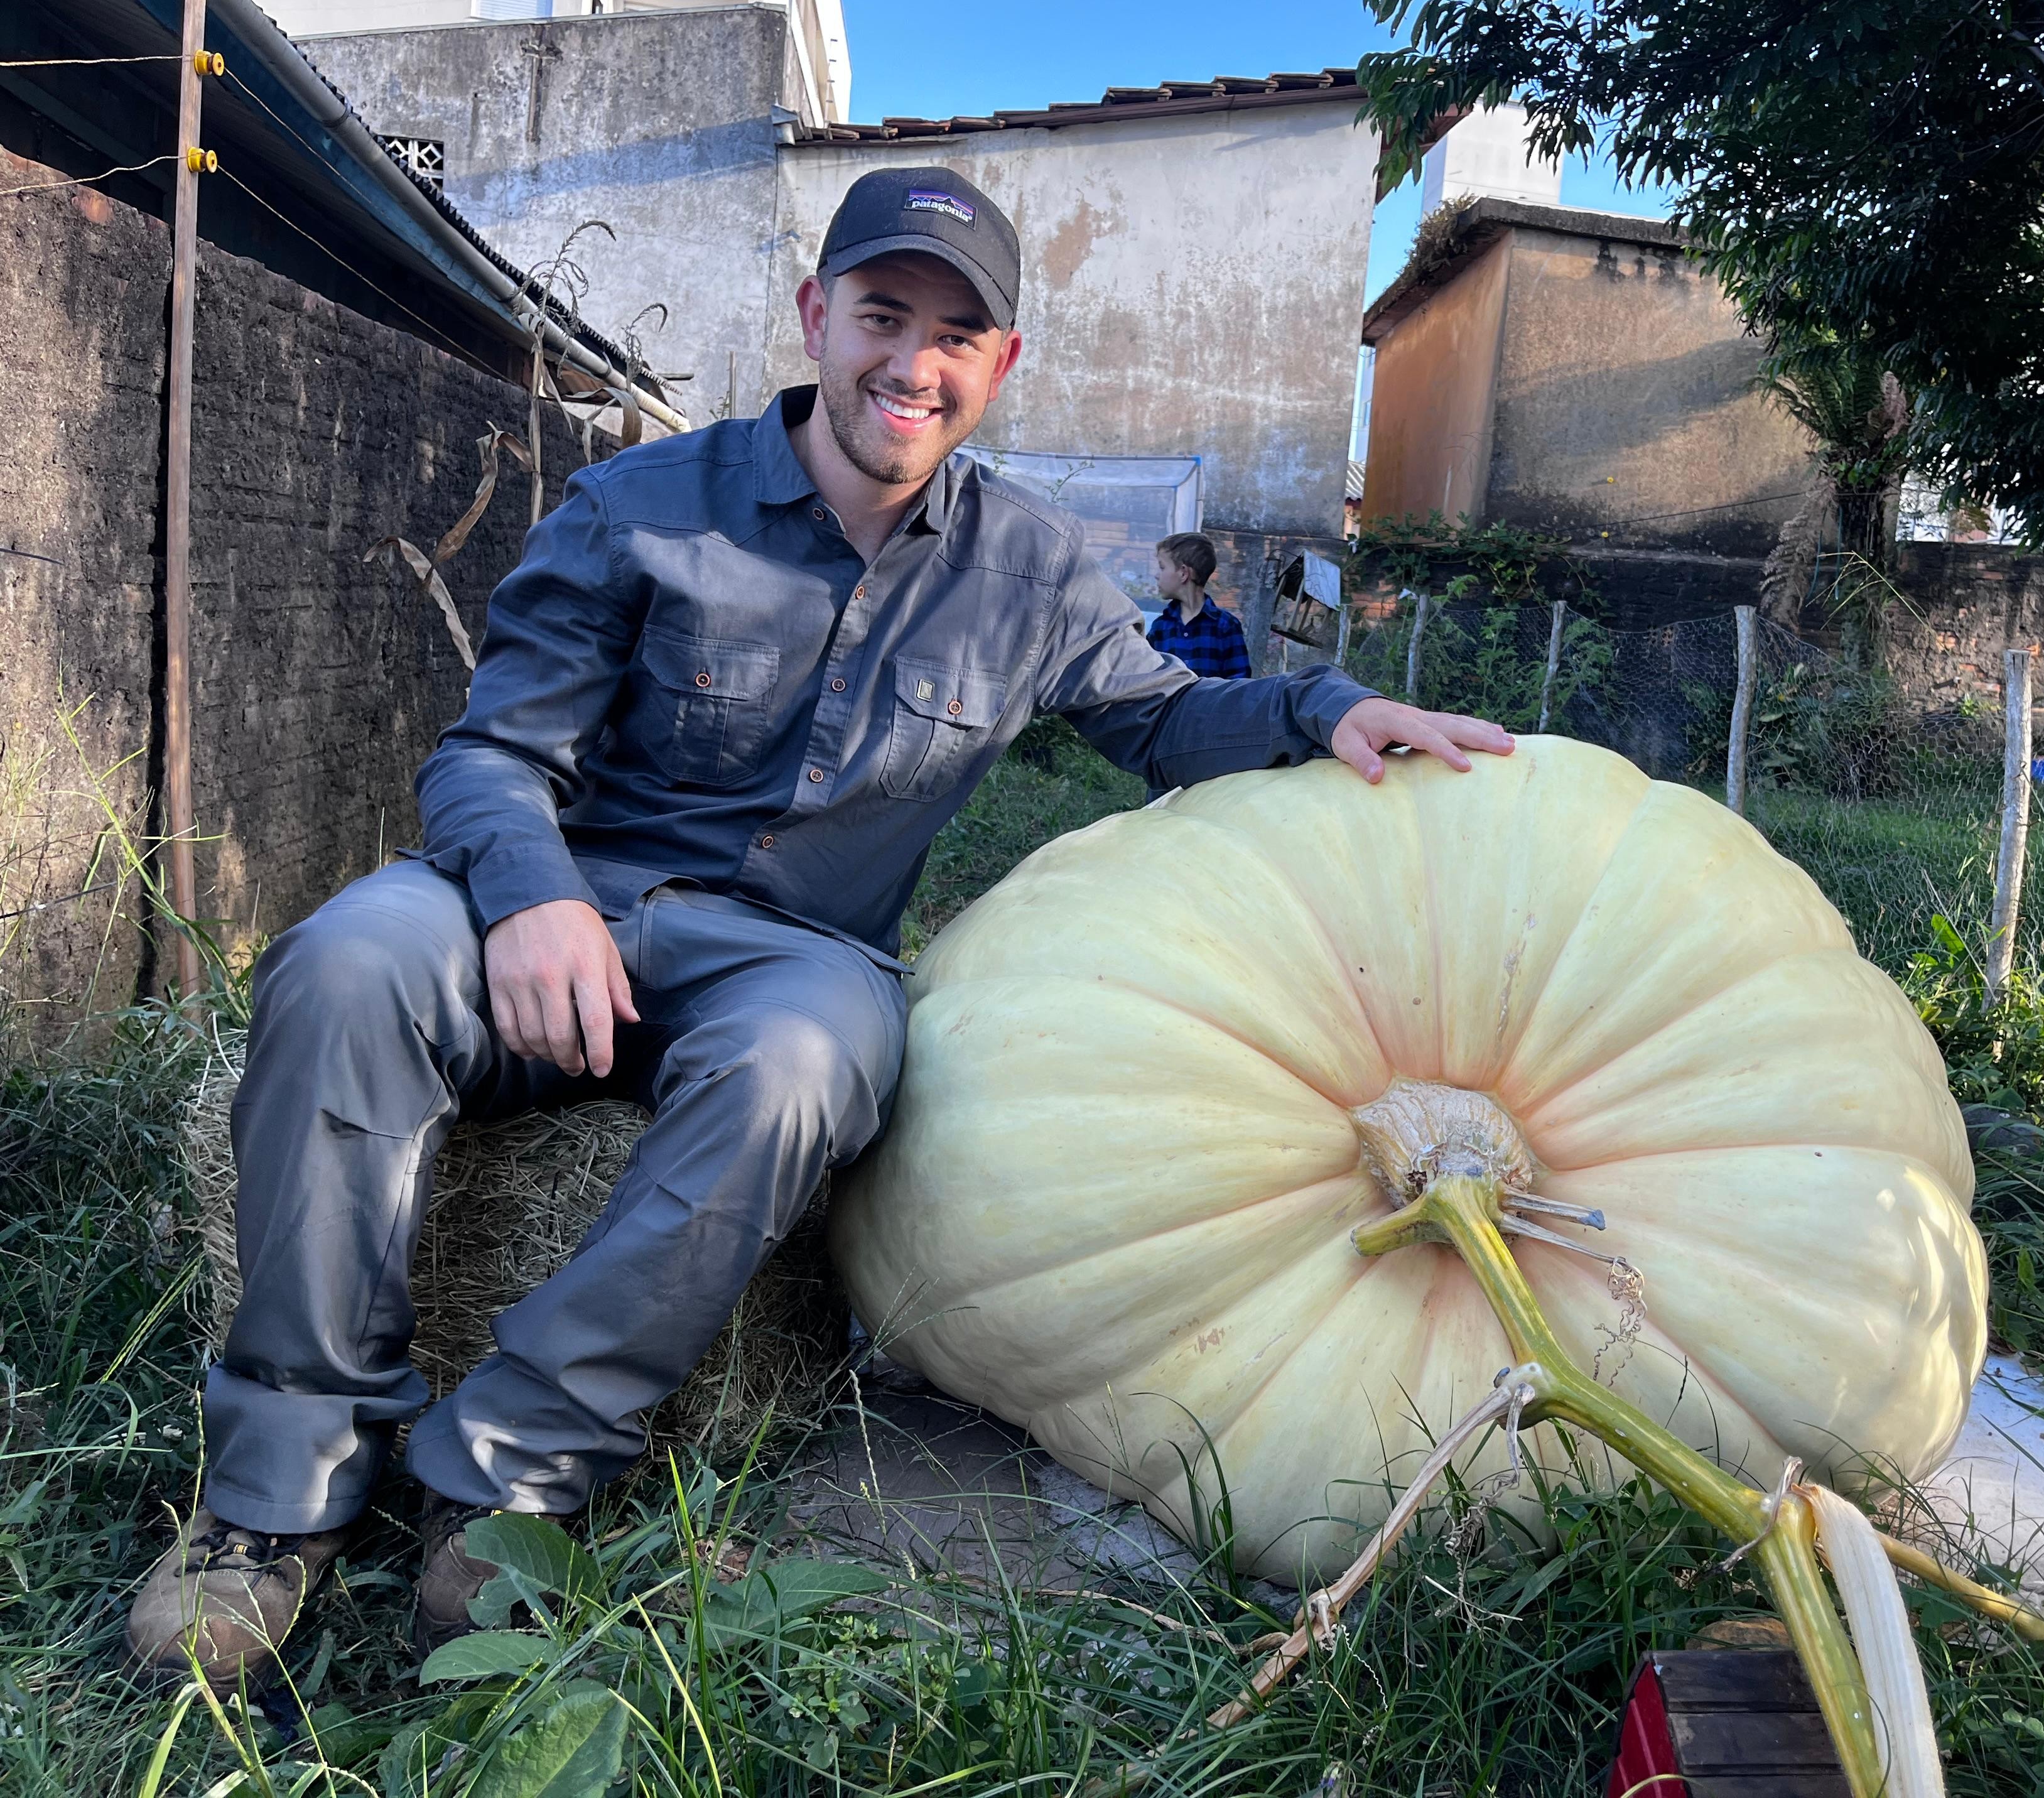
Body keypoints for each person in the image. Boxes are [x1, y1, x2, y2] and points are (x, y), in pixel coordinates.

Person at [122, 165, 1513, 1691]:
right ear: (817, 316)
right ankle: (277, 1491)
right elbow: (491, 753)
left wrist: (1329, 706)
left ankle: (511, 1475)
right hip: (560, 889)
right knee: (343, 961)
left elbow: (1165, 720)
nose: (911, 361)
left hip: (786, 960)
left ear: (1000, 367)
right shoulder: (645, 503)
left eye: (955, 334)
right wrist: (530, 901)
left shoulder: (1034, 571)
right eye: (882, 313)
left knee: (817, 1054)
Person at [1146, 532, 1250, 678]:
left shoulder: (1226, 626)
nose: (1157, 575)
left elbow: (1239, 686)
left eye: (1162, 567)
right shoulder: (1160, 629)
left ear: (1183, 573)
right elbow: (1148, 680)